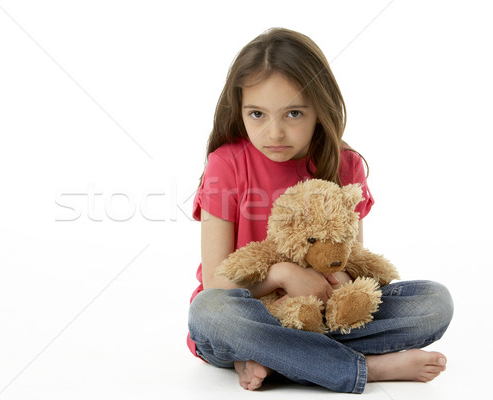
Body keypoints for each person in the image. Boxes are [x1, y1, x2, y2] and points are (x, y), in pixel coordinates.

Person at [187, 28, 453, 394]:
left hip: (322, 313)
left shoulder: (346, 165)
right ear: (240, 111)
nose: (274, 132)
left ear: (319, 109)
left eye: (293, 113)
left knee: (434, 303)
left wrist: (341, 283)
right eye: (257, 114)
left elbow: (350, 259)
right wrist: (283, 275)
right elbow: (217, 282)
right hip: (247, 314)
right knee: (208, 312)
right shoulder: (226, 164)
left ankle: (273, 358)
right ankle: (364, 369)